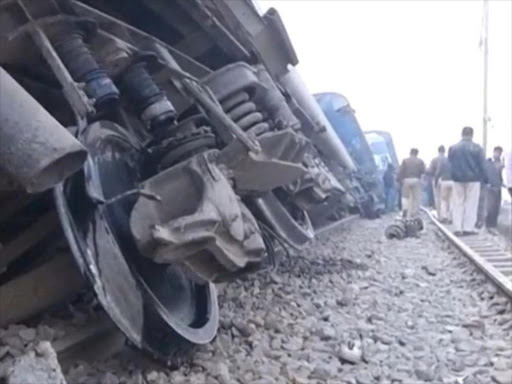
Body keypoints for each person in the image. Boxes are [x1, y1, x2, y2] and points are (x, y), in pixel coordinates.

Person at [448, 126, 487, 236]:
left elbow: (450, 162)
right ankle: (468, 228)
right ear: (472, 135)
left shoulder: (453, 148)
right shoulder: (477, 148)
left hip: (457, 179)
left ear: (462, 134)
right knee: (471, 203)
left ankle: (457, 228)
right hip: (473, 179)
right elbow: (482, 165)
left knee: (457, 202)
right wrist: (485, 178)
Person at [397, 148, 426, 218]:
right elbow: (423, 171)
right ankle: (414, 213)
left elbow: (400, 171)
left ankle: (405, 210)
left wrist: (400, 180)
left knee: (405, 197)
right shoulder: (420, 161)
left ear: (410, 153)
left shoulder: (405, 161)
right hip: (416, 180)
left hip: (406, 180)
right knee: (416, 198)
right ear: (417, 154)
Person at [485, 146, 504, 230]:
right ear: (494, 152)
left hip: (498, 187)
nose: (498, 154)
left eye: (499, 153)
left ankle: (493, 225)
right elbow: (484, 173)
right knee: (490, 207)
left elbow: (502, 176)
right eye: (497, 152)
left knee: (496, 207)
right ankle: (488, 225)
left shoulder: (501, 163)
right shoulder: (488, 162)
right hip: (490, 187)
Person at [435, 149, 454, 223]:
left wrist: (436, 182)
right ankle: (451, 218)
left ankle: (444, 217)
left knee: (444, 200)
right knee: (452, 200)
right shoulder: (456, 162)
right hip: (453, 181)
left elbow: (438, 172)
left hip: (444, 181)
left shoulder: (443, 162)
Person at [428, 145, 447, 217]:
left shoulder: (434, 160)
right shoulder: (447, 159)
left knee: (437, 198)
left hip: (436, 179)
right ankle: (446, 215)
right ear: (444, 151)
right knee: (445, 199)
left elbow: (430, 170)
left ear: (438, 151)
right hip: (445, 179)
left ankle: (439, 216)